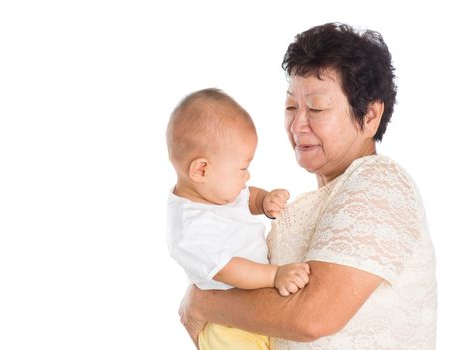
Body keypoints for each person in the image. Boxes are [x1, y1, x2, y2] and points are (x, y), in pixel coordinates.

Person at [178, 23, 437, 349]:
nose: (297, 124)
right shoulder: (322, 202)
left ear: (370, 115)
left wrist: (201, 303)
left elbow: (312, 317)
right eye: (291, 107)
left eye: (316, 108)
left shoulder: (379, 182)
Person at [166, 88, 311, 350]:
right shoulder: (191, 230)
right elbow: (230, 269)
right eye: (242, 168)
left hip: (255, 313)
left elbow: (247, 196)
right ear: (201, 169)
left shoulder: (214, 191)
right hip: (226, 326)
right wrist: (275, 275)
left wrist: (264, 201)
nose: (247, 177)